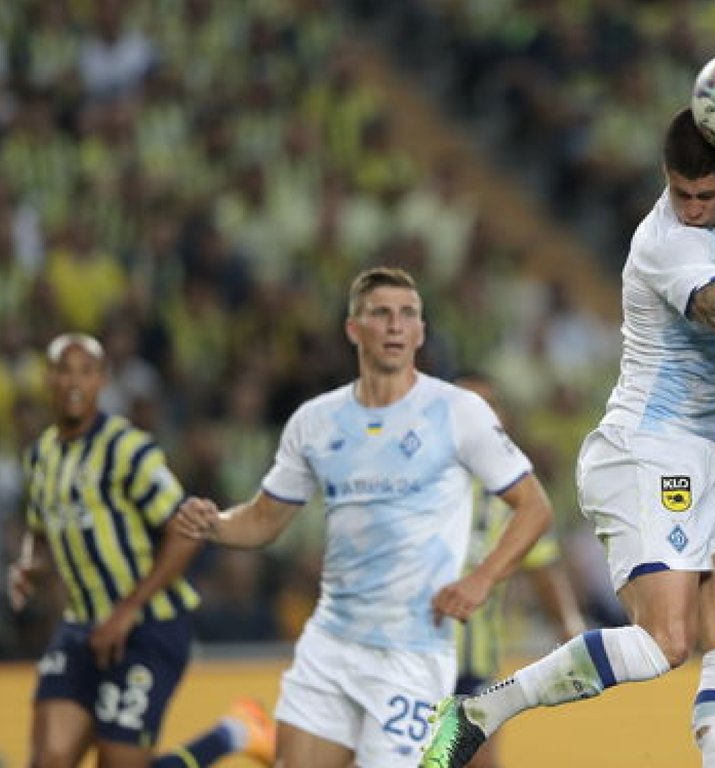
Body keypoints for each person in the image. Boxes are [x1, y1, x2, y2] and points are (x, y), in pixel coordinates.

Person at [420, 109, 715, 768]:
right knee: (663, 642)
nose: (692, 207)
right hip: (647, 449)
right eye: (681, 192)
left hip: (704, 454)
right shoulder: (667, 242)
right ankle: (478, 711)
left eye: (706, 195)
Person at [172, 266, 554, 768]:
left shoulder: (457, 412)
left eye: (408, 315)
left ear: (420, 332)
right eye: (382, 314)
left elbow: (534, 507)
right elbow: (264, 518)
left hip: (410, 653)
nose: (396, 326)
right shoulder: (316, 420)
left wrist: (482, 578)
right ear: (354, 329)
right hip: (329, 644)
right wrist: (215, 524)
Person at [7, 332, 274, 768]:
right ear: (48, 378)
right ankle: (235, 732)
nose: (74, 382)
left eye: (86, 371)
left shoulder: (127, 450)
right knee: (48, 760)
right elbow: (40, 530)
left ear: (102, 380)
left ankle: (235, 733)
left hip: (149, 625)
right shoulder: (40, 457)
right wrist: (28, 565)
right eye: (64, 371)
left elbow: (187, 531)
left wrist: (126, 611)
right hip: (81, 627)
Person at [450, 371, 587, 768]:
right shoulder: (410, 483)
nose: (479, 416)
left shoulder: (513, 495)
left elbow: (543, 567)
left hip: (474, 664)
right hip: (407, 658)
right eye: (467, 405)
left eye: (489, 405)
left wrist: (570, 631)